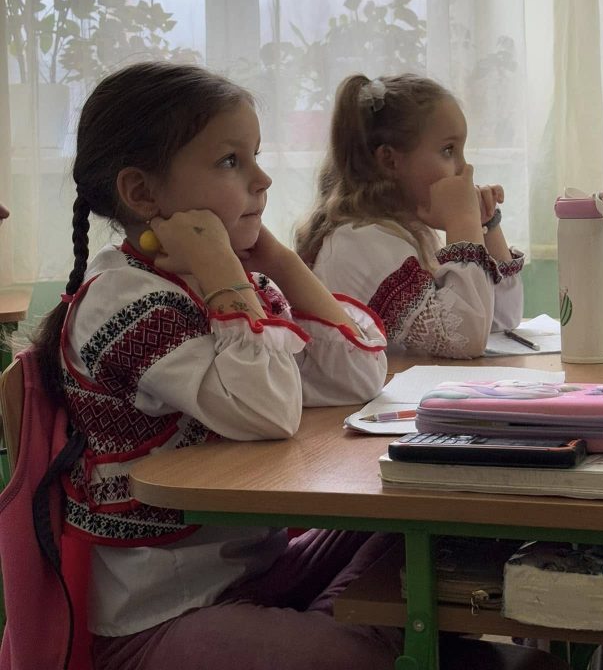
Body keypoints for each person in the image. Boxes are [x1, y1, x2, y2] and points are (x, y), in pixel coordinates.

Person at [29, 62, 398, 670]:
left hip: (259, 575)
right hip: (163, 617)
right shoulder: (124, 301)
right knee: (375, 645)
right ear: (142, 194)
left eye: (256, 156)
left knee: (424, 535)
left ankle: (376, 636)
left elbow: (357, 380)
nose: (263, 178)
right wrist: (228, 276)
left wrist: (280, 262)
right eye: (231, 161)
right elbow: (270, 413)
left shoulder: (225, 285)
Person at [296, 73, 525, 358]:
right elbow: (465, 340)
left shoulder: (404, 233)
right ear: (390, 161)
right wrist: (462, 221)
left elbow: (502, 320)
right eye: (448, 150)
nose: (464, 168)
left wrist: (486, 224)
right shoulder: (364, 241)